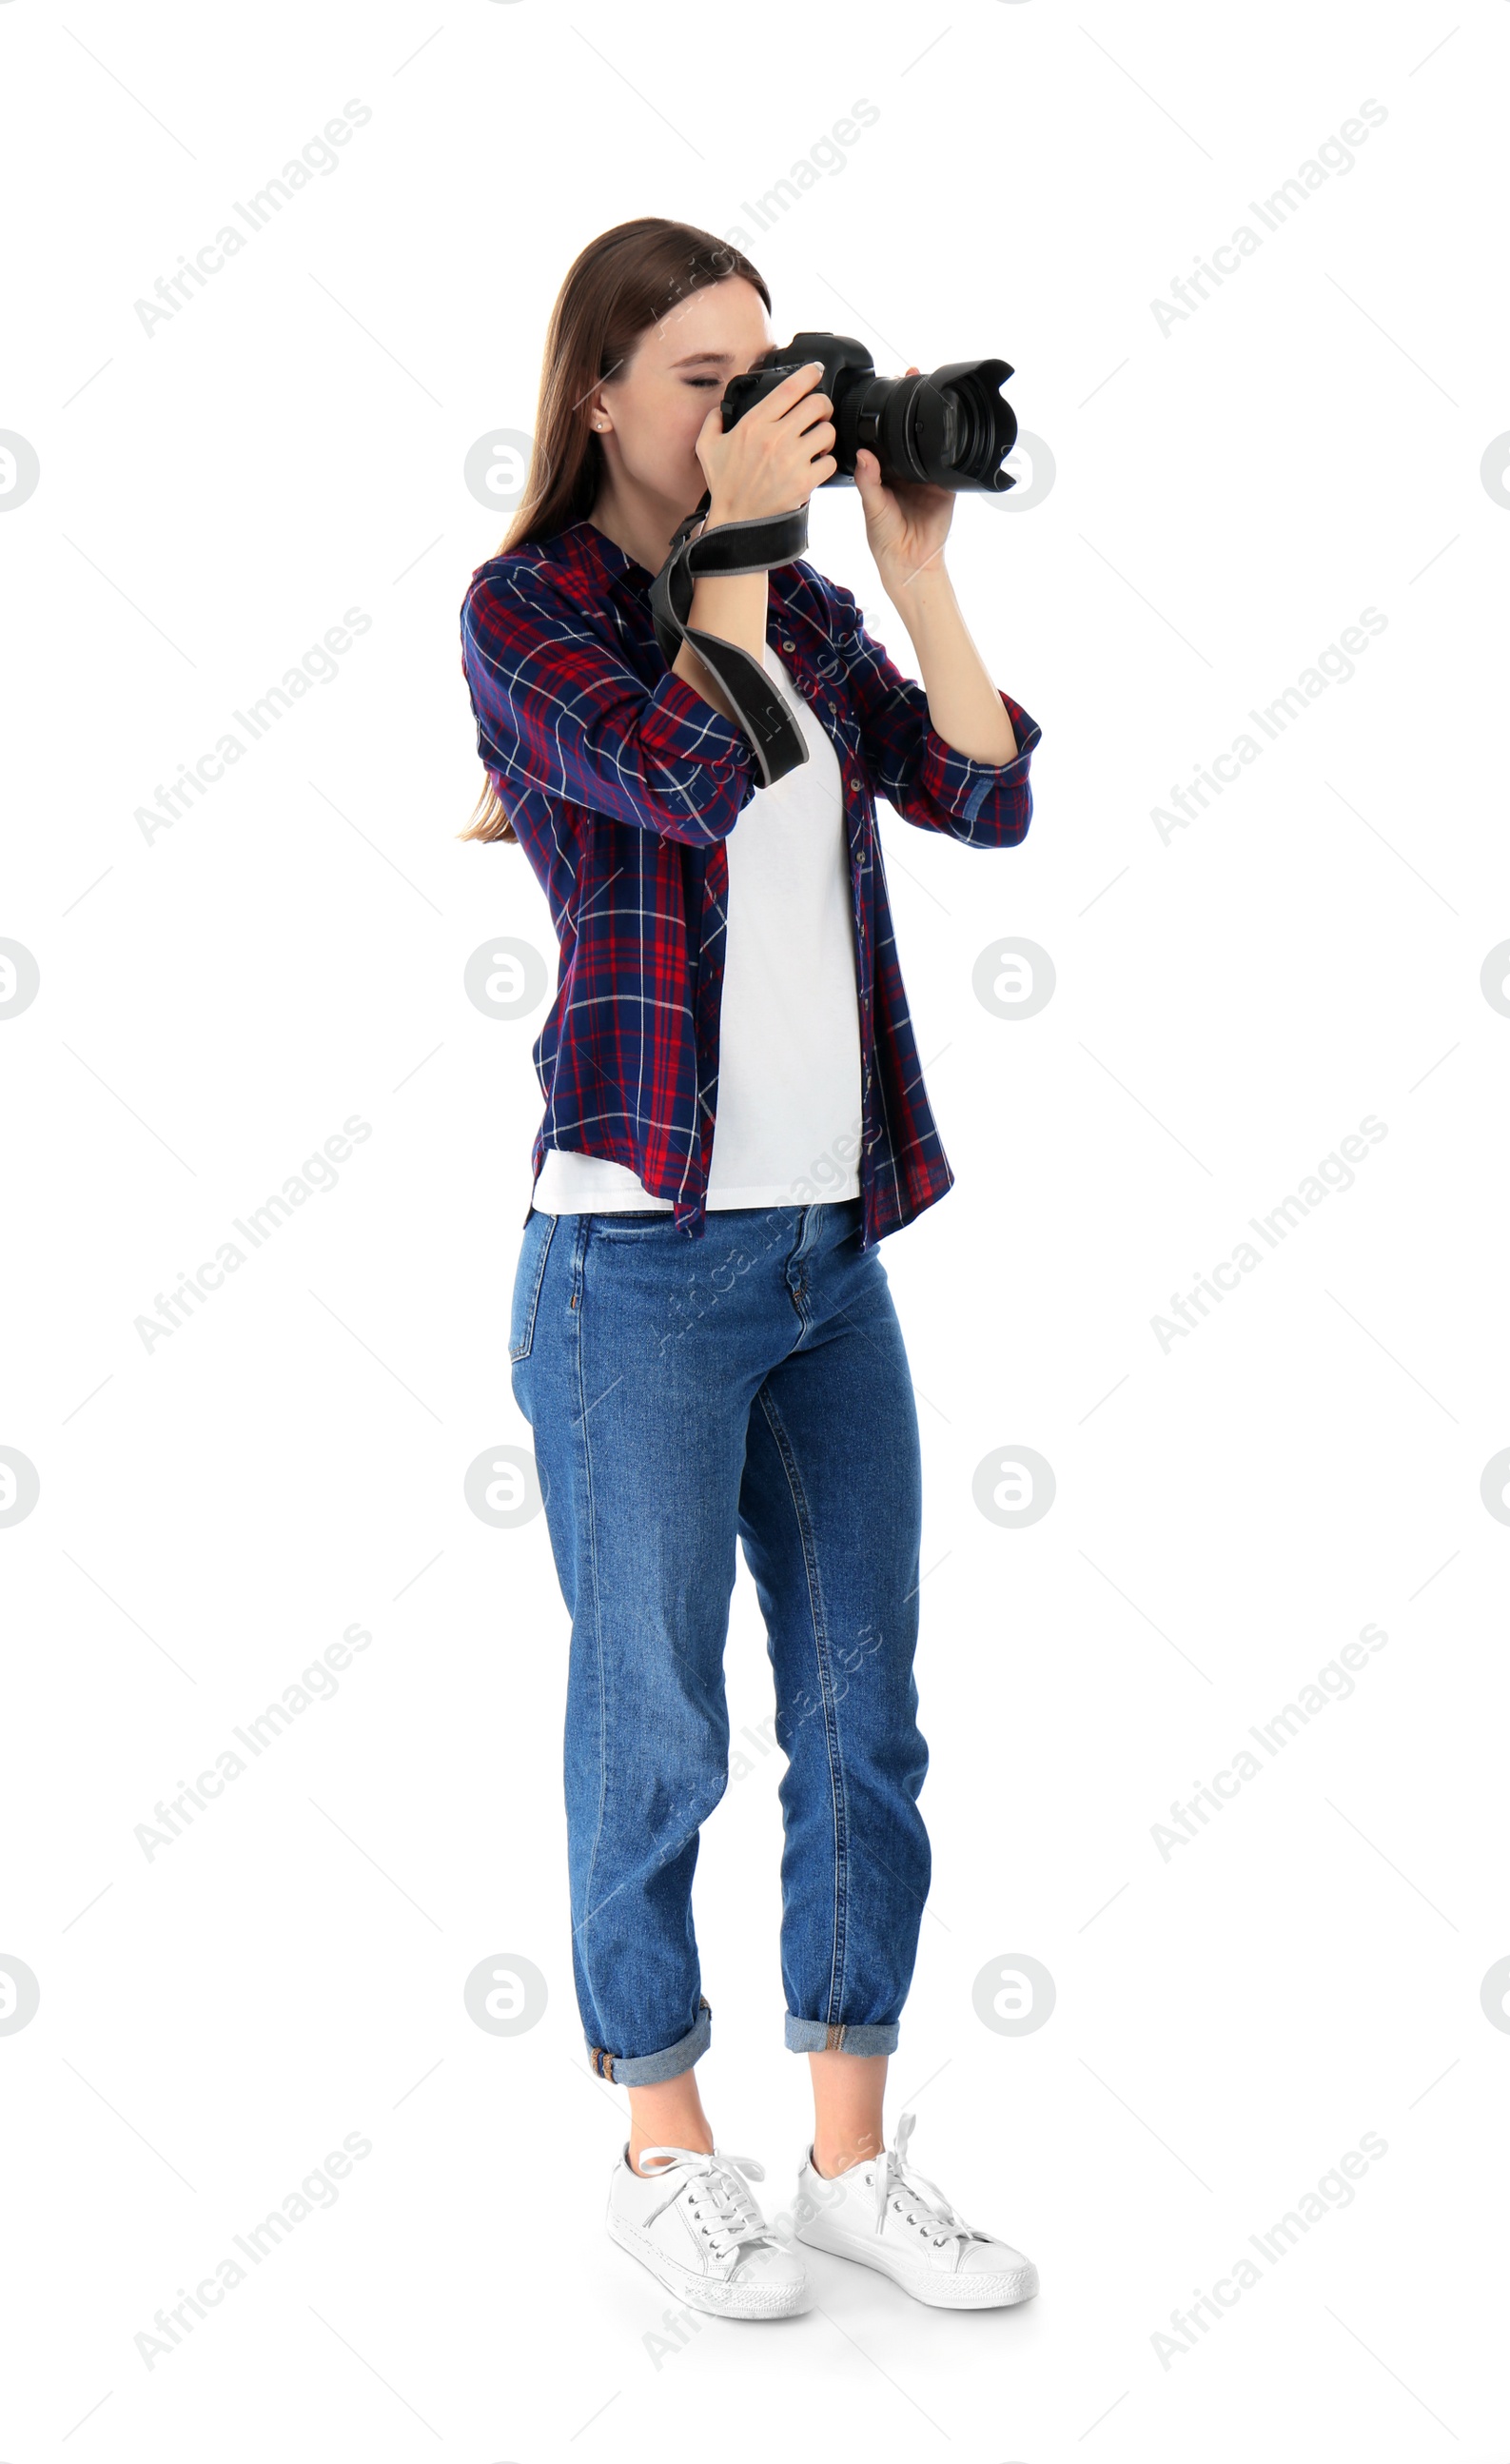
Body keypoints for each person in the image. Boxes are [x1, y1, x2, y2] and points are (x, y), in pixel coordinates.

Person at [458, 217, 1043, 2320]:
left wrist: (905, 559)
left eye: (755, 370)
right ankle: (659, 2139)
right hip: (633, 1267)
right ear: (601, 398)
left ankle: (851, 2155)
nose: (735, 408)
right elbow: (692, 773)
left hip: (824, 1252)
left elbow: (983, 796)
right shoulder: (526, 617)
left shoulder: (794, 587)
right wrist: (731, 552)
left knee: (864, 1714)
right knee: (654, 1726)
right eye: (696, 378)